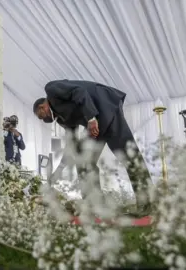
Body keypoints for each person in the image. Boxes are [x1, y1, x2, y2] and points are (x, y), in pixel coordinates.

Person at [33, 79, 152, 216]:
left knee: (129, 156)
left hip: (106, 108)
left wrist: (91, 119)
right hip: (96, 124)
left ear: (42, 107)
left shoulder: (51, 89)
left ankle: (147, 203)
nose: (42, 120)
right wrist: (58, 171)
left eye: (40, 117)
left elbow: (79, 91)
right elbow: (72, 146)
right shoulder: (61, 118)